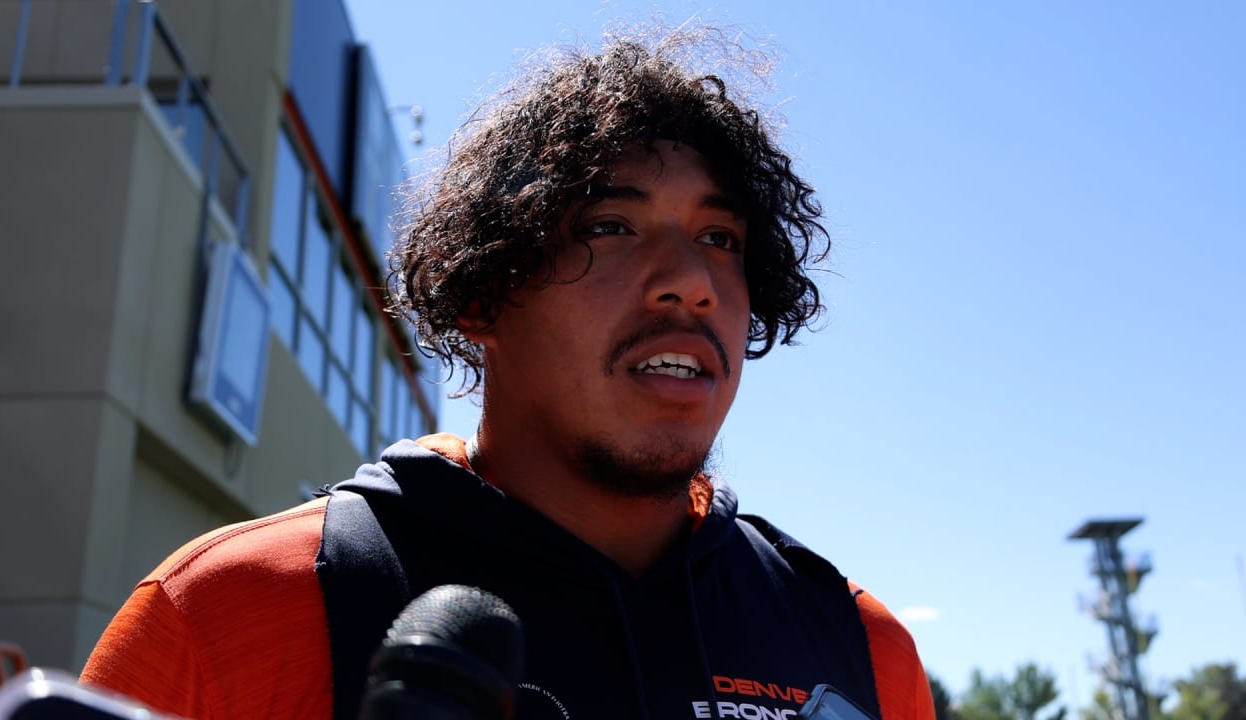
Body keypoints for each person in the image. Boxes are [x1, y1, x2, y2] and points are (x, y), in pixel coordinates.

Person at [81, 27, 934, 720]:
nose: (694, 281)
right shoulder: (227, 615)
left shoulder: (860, 648)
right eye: (609, 225)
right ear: (482, 295)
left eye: (722, 240)